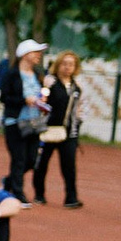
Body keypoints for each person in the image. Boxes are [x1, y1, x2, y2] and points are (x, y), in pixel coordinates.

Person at [0, 40, 49, 198]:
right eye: (35, 52)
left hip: (34, 123)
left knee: (32, 159)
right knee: (19, 158)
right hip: (15, 122)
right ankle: (18, 193)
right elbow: (4, 98)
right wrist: (24, 100)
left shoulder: (38, 74)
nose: (38, 56)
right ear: (25, 55)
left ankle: (8, 182)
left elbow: (42, 94)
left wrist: (42, 101)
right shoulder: (12, 74)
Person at [35, 51, 85, 206]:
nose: (67, 67)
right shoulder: (50, 82)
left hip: (68, 132)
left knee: (69, 165)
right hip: (48, 130)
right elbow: (41, 102)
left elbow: (79, 109)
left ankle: (71, 198)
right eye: (64, 64)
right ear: (58, 65)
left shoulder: (77, 88)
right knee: (41, 163)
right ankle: (39, 194)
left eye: (71, 64)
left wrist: (77, 123)